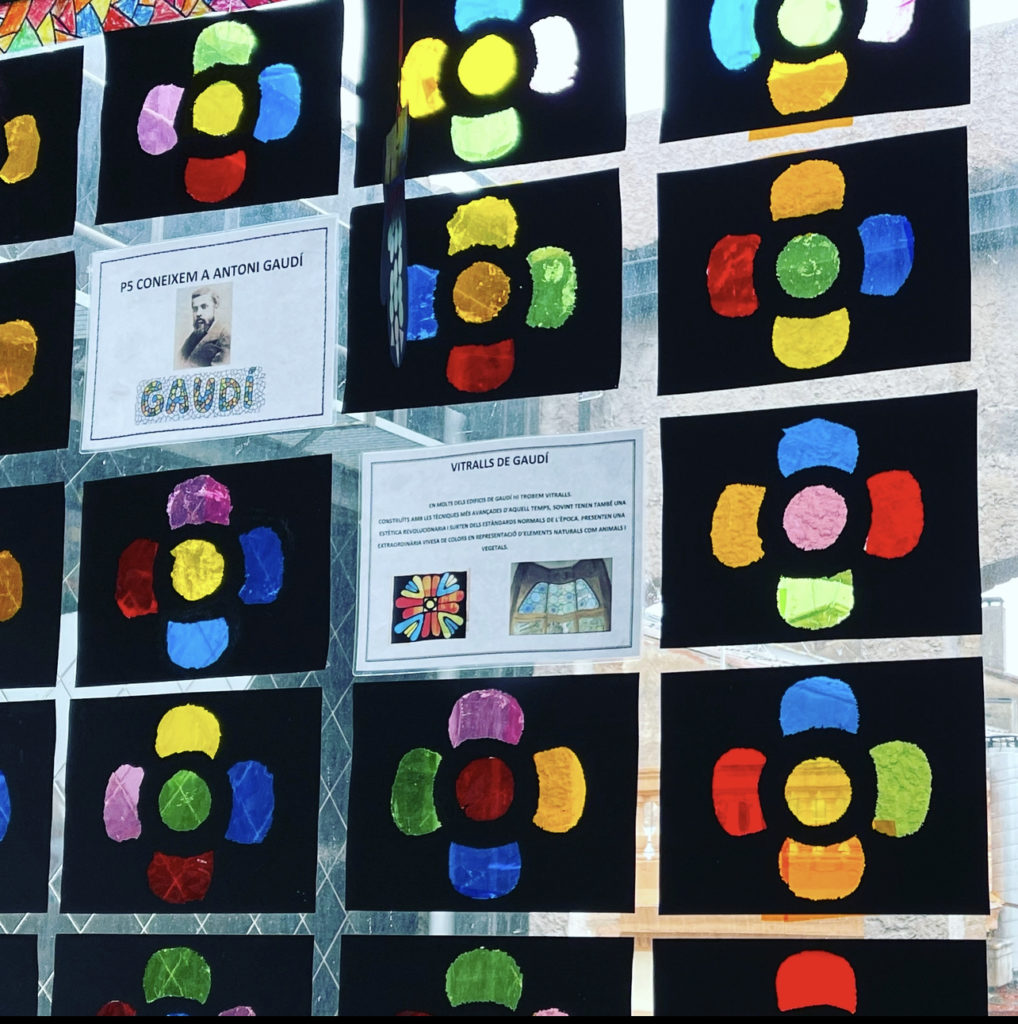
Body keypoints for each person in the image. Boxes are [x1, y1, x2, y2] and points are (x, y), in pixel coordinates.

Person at [178, 287, 230, 368]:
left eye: (204, 306)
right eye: (195, 309)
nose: (198, 313)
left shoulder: (225, 336)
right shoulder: (194, 336)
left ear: (215, 305)